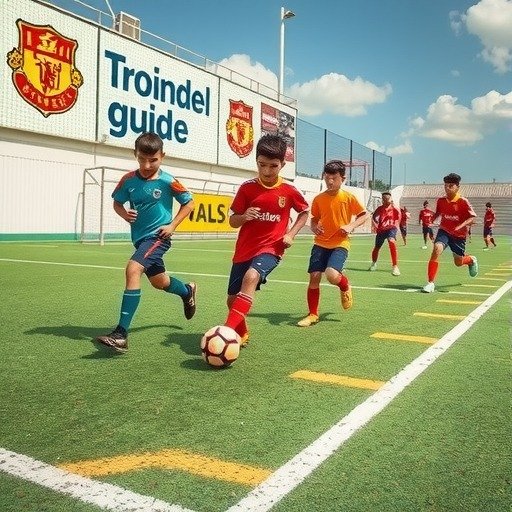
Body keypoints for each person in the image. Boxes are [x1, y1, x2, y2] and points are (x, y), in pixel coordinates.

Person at [96, 132, 196, 352]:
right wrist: (124, 214)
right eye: (142, 159)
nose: (147, 165)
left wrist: (172, 225)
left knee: (133, 269)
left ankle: (121, 334)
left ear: (162, 156)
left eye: (153, 160)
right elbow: (117, 203)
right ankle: (187, 291)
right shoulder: (128, 180)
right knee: (160, 282)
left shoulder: (168, 181)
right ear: (135, 154)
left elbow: (189, 203)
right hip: (140, 240)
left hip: (158, 237)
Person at [223, 134, 309, 346]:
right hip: (244, 250)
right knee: (232, 299)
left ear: (282, 165)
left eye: (273, 166)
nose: (267, 171)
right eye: (262, 165)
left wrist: (290, 234)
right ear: (256, 161)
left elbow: (304, 212)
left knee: (251, 277)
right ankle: (242, 333)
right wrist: (244, 216)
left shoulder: (289, 191)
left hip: (272, 248)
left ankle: (225, 333)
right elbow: (232, 221)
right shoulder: (247, 188)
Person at [297, 160, 369, 327]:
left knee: (331, 275)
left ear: (342, 179)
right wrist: (314, 227)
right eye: (327, 178)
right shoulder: (318, 199)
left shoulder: (348, 197)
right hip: (320, 243)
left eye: (334, 178)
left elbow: (365, 215)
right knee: (314, 277)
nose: (330, 181)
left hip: (340, 243)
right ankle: (313, 314)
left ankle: (345, 286)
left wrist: (350, 226)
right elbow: (314, 219)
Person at [422, 173, 478, 293]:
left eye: (451, 186)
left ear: (457, 187)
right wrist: (432, 219)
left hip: (459, 235)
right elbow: (438, 213)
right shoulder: (441, 201)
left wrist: (460, 226)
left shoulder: (463, 201)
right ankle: (430, 283)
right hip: (444, 231)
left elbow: (472, 218)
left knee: (458, 262)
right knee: (436, 249)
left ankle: (471, 260)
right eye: (446, 185)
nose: (447, 188)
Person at [368, 191, 401, 276]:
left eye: (387, 199)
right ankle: (374, 263)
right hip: (381, 230)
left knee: (391, 241)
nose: (385, 200)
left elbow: (399, 217)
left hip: (391, 228)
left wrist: (396, 225)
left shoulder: (395, 208)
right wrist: (375, 226)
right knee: (377, 247)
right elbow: (374, 218)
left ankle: (395, 266)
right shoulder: (379, 209)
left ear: (390, 199)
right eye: (384, 199)